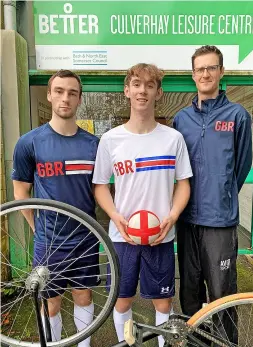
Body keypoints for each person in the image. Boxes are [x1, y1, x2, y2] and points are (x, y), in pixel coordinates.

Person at [93, 63, 192, 346]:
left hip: (160, 236)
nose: (142, 91)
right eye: (137, 84)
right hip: (122, 237)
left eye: (150, 86)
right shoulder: (111, 140)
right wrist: (115, 216)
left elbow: (183, 183)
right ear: (127, 90)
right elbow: (100, 186)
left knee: (162, 303)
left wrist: (172, 216)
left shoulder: (173, 139)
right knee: (122, 301)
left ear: (158, 93)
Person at [12, 70, 99, 347]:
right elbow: (21, 192)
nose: (65, 98)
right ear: (49, 95)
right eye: (59, 91)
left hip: (85, 239)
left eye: (72, 93)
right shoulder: (30, 142)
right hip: (49, 241)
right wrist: (38, 228)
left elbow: (100, 190)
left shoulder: (93, 144)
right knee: (50, 303)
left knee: (84, 297)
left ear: (79, 99)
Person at [173, 45, 252, 343]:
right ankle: (197, 342)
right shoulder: (181, 119)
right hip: (188, 219)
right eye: (199, 69)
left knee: (222, 296)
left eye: (211, 68)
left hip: (219, 222)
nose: (205, 73)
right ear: (193, 75)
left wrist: (222, 193)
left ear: (221, 72)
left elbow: (241, 167)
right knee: (190, 293)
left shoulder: (238, 115)